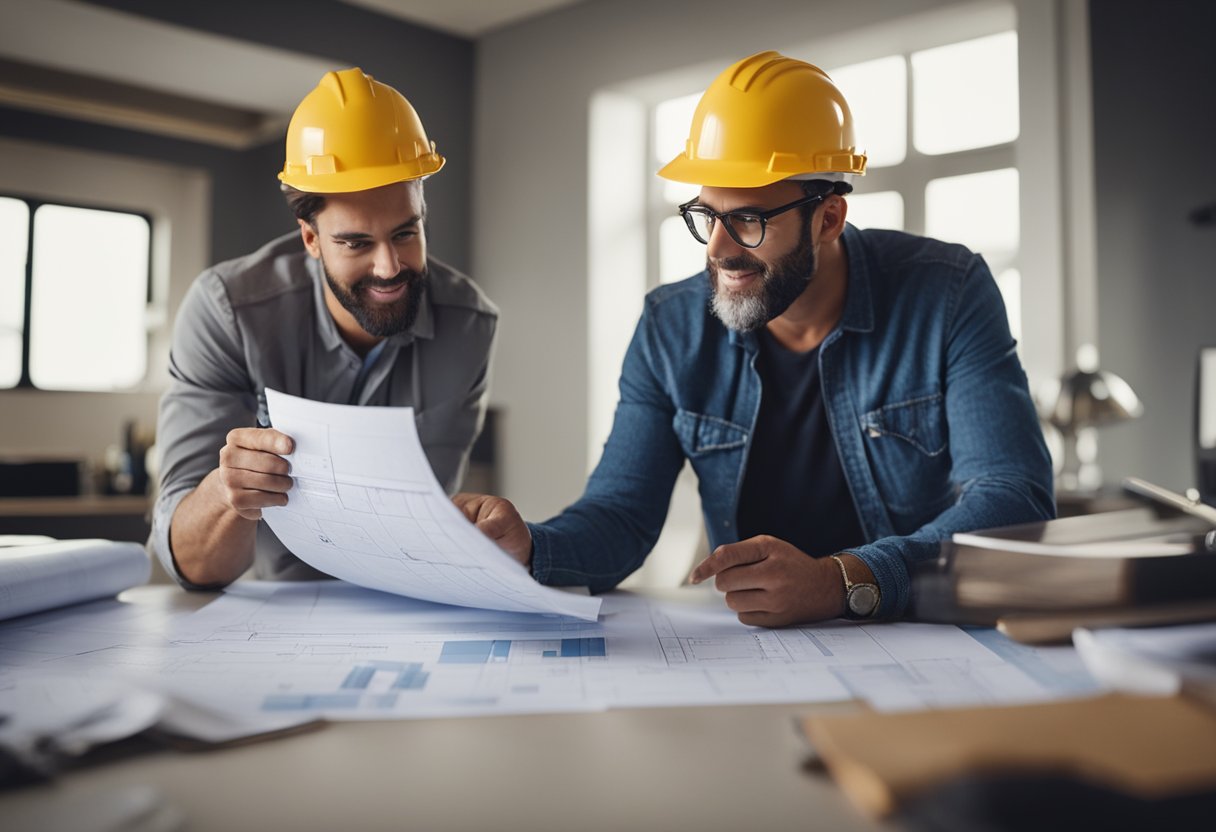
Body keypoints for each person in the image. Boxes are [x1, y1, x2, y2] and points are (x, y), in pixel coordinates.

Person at [460, 50, 1054, 626]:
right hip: (758, 647)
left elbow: (1013, 499)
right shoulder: (670, 327)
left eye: (749, 219)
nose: (717, 250)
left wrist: (842, 582)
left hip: (921, 639)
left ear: (828, 220)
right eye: (707, 214)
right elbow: (622, 515)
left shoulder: (948, 293)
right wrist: (532, 548)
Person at [149, 68, 498, 589]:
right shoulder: (226, 312)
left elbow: (417, 530)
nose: (389, 267)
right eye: (356, 243)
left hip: (397, 600)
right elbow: (194, 566)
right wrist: (228, 491)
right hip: (259, 610)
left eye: (406, 232)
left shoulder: (467, 324)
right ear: (310, 238)